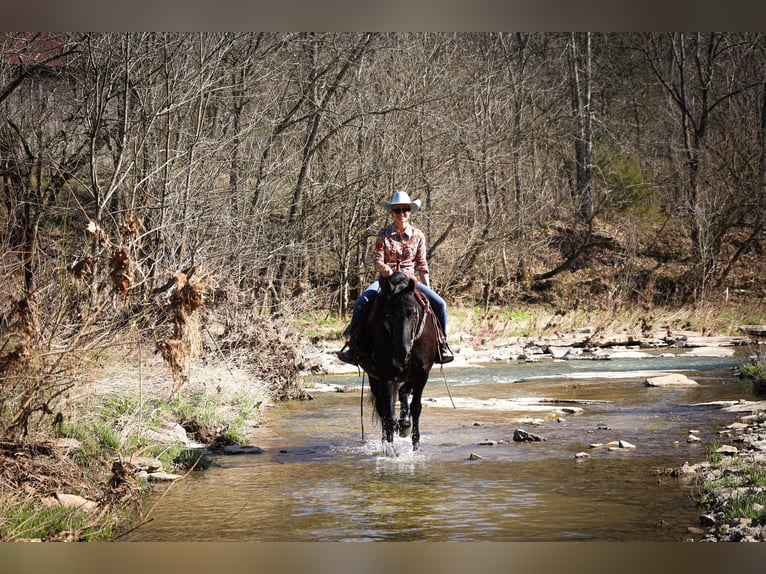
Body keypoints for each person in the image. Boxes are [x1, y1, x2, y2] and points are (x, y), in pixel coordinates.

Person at [337, 191, 454, 365]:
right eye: (397, 210)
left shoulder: (418, 235)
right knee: (361, 302)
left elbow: (422, 264)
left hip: (409, 282)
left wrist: (428, 287)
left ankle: (441, 345)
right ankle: (352, 346)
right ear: (392, 212)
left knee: (440, 304)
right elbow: (377, 260)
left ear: (410, 211)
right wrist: (385, 269)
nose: (401, 214)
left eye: (405, 210)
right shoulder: (383, 234)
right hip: (386, 281)